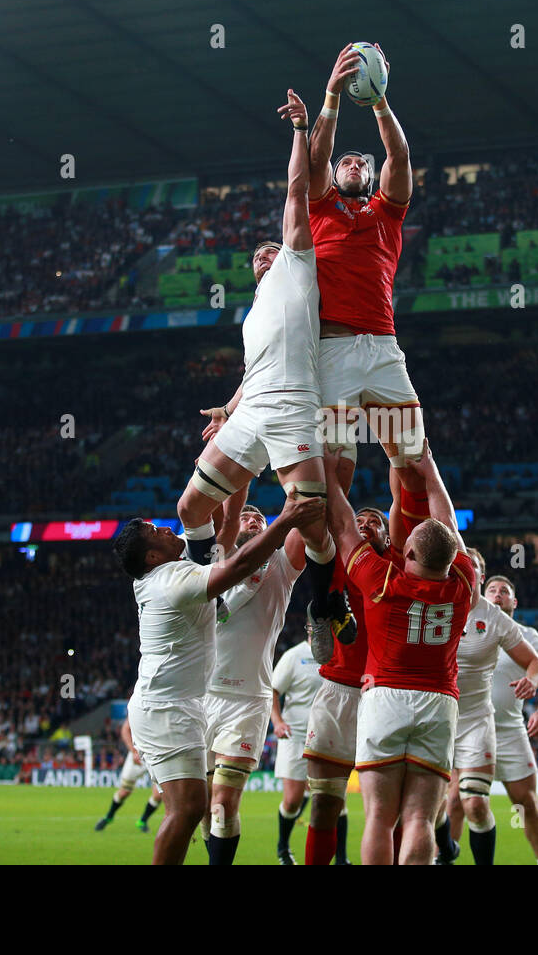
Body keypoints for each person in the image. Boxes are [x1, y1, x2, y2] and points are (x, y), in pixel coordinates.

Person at [183, 89, 350, 661]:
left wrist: (303, 128)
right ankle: (209, 585)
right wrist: (230, 408)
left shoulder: (299, 265)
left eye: (269, 247)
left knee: (314, 523)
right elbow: (256, 369)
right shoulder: (253, 314)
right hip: (253, 408)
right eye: (256, 252)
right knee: (188, 511)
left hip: (295, 407)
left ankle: (325, 606)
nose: (264, 253)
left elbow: (298, 188)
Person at [111, 490, 322, 864]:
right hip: (172, 707)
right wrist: (284, 519)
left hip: (207, 703)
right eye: (157, 531)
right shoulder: (175, 580)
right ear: (152, 556)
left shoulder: (179, 571)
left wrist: (235, 465)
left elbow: (225, 527)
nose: (165, 528)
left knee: (205, 807)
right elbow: (237, 565)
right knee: (190, 810)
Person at [322, 440, 476, 865]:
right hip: (440, 702)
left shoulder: (382, 580)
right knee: (420, 819)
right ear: (451, 557)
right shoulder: (464, 583)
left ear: (407, 550)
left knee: (379, 817)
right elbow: (448, 526)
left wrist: (330, 477)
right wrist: (431, 471)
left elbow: (342, 526)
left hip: (386, 697)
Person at [307, 44, 424, 493]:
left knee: (412, 458)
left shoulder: (387, 211)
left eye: (361, 163)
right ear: (336, 177)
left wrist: (379, 100)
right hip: (333, 351)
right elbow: (315, 159)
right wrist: (332, 96)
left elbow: (399, 155)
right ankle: (332, 557)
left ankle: (415, 555)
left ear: (371, 177)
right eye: (346, 163)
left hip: (384, 349)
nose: (354, 164)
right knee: (335, 462)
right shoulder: (319, 208)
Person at [201, 504, 307, 865]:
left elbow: (302, 513)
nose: (253, 520)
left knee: (223, 802)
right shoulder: (210, 564)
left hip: (248, 699)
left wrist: (299, 457)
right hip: (200, 697)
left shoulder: (281, 564)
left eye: (260, 518)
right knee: (201, 806)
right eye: (245, 517)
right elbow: (211, 511)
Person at [437, 550, 538, 865]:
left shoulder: (494, 618)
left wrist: (533, 680)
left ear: (479, 577)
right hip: (435, 719)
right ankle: (446, 852)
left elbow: (535, 663)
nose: (464, 572)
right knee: (432, 807)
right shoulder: (431, 604)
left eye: (472, 568)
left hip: (476, 722)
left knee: (474, 804)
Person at [487, 575, 538, 864]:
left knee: (527, 803)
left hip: (509, 731)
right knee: (455, 801)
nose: (497, 594)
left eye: (504, 591)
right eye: (491, 590)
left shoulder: (528, 637)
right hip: (468, 727)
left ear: (513, 602)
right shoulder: (467, 629)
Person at [271, 632, 323, 864]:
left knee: (333, 800)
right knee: (292, 800)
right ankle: (283, 847)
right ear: (309, 627)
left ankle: (341, 857)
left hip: (326, 736)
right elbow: (273, 690)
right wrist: (278, 722)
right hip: (296, 733)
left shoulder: (337, 655)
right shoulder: (295, 656)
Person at [94, 716, 163, 832]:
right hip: (139, 754)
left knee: (159, 794)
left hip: (157, 755)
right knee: (124, 791)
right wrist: (134, 751)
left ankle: (143, 821)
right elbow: (125, 729)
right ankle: (109, 816)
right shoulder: (141, 703)